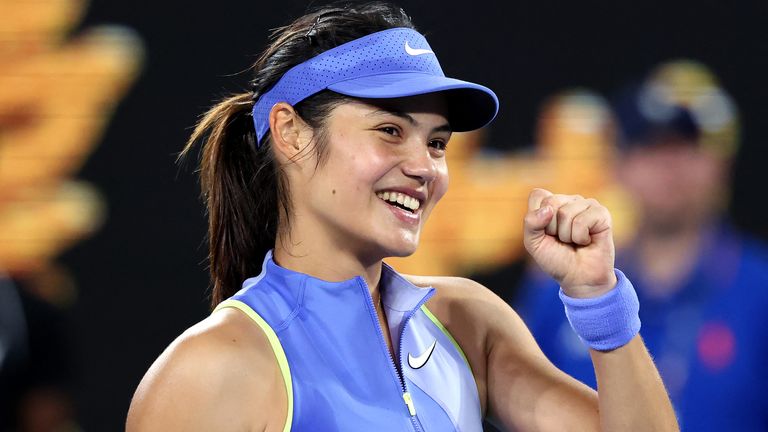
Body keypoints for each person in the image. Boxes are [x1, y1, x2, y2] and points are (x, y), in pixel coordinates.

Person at [126, 3, 677, 431]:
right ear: (291, 133)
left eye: (437, 142)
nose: (424, 168)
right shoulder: (206, 372)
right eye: (390, 131)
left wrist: (599, 298)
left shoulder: (467, 320)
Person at [516, 60, 768, 431]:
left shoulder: (760, 292)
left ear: (719, 163)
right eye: (649, 147)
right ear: (618, 165)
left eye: (686, 146)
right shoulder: (561, 289)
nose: (669, 166)